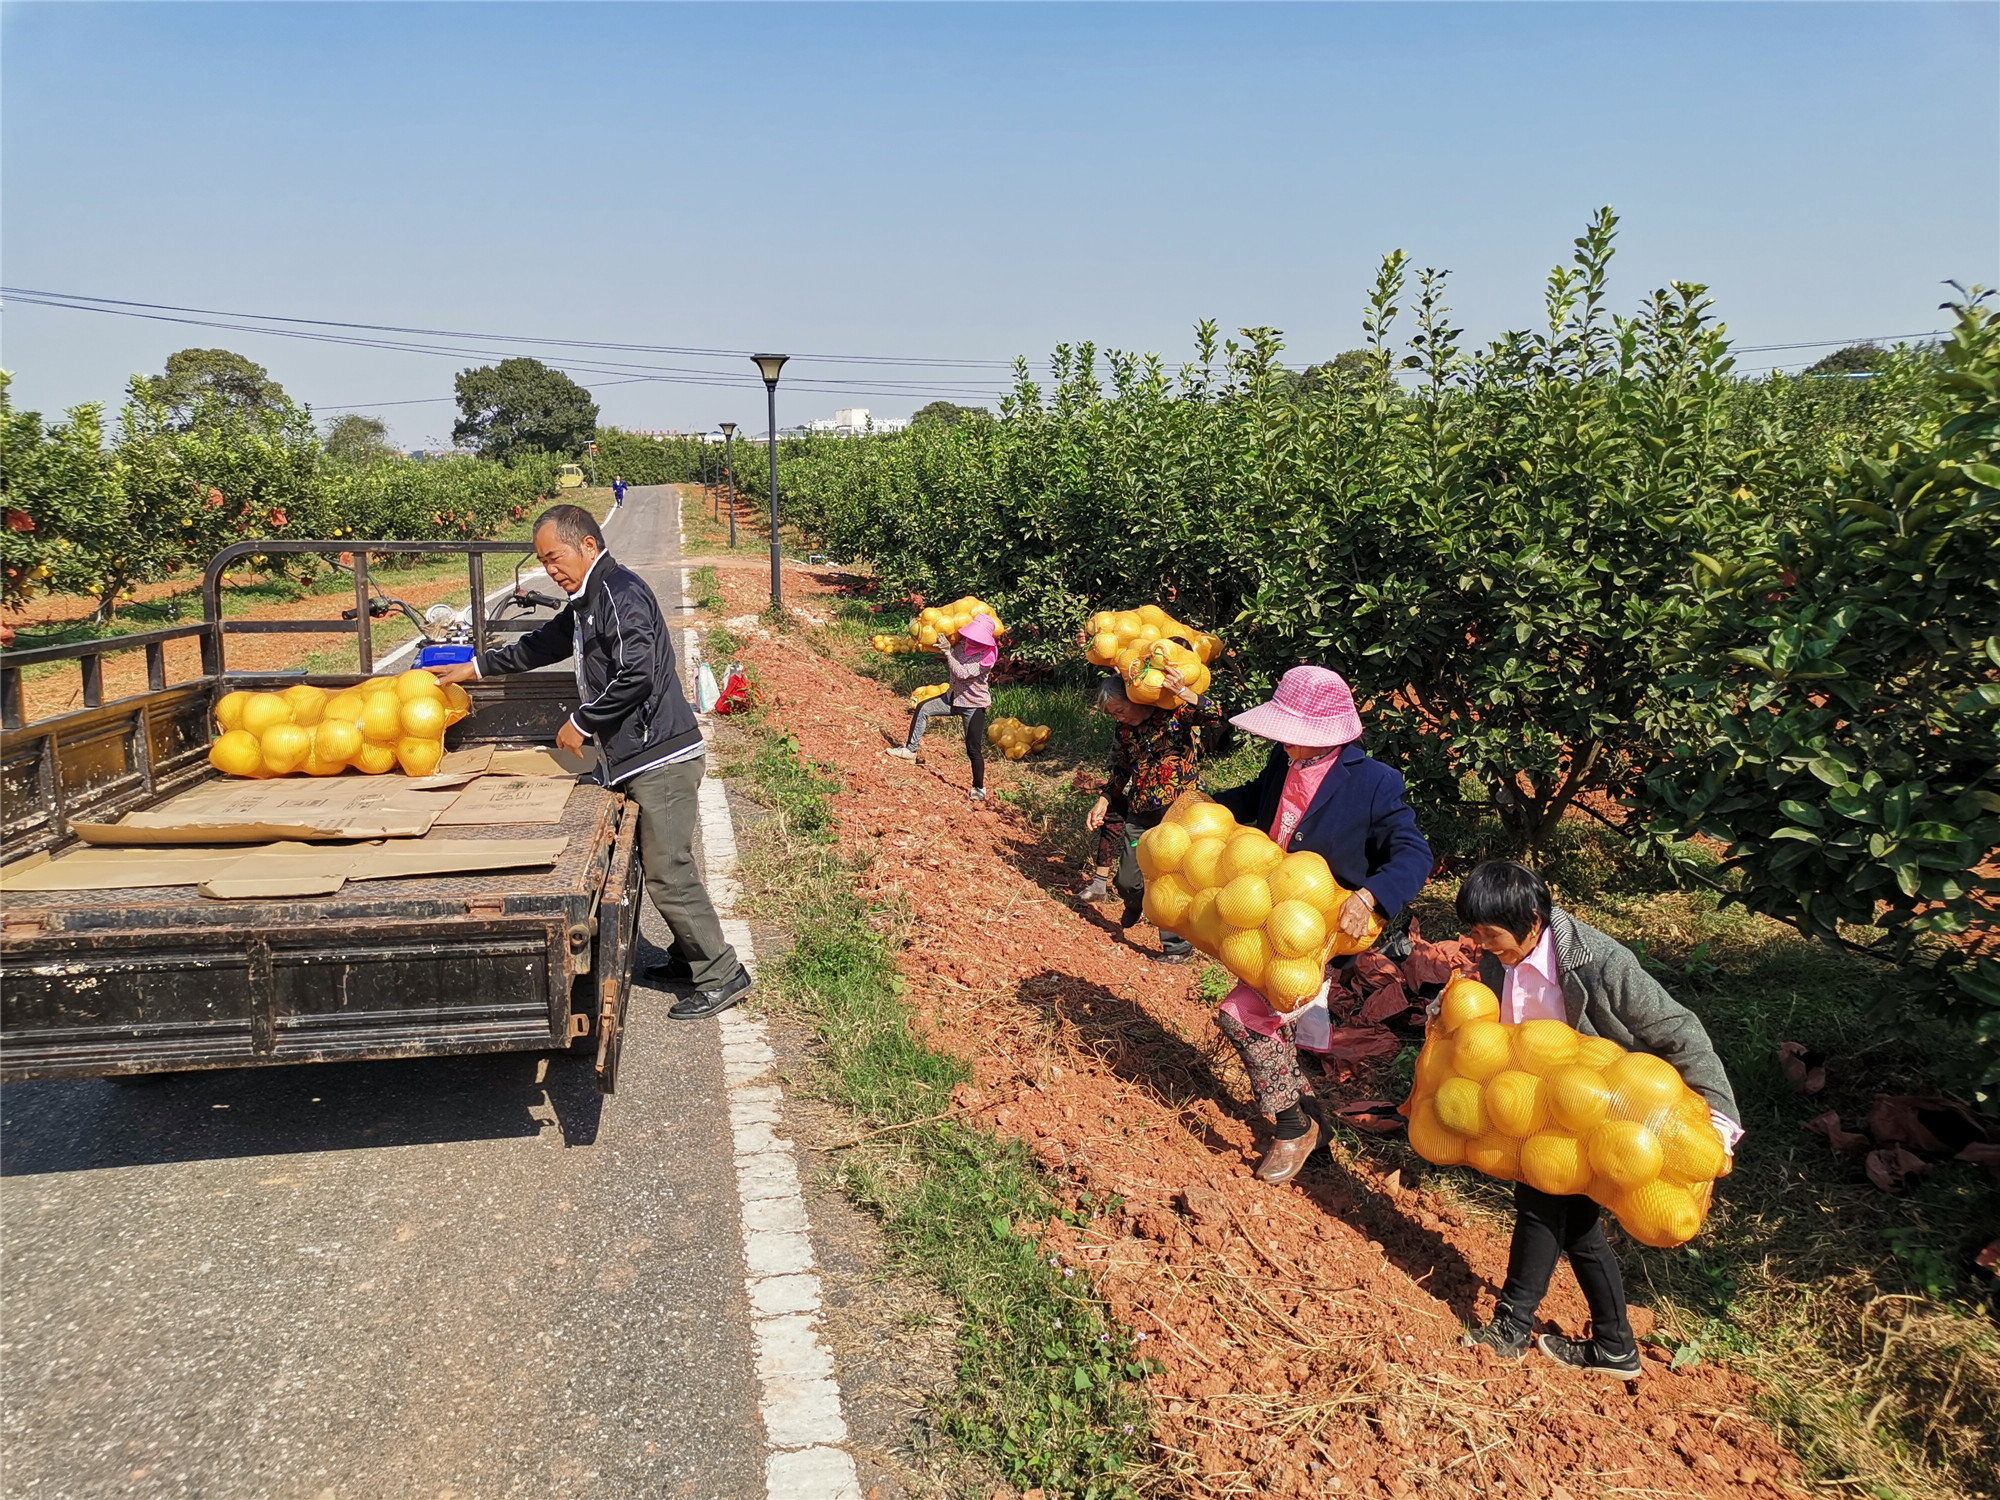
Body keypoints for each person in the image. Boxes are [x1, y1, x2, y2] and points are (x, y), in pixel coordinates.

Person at [430, 503, 752, 1020]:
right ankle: (689, 956)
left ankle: (721, 972)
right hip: (640, 755)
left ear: (587, 544)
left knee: (669, 869)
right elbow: (540, 646)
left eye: (555, 558)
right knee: (654, 860)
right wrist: (475, 666)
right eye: (543, 561)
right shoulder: (586, 601)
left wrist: (582, 721)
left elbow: (638, 673)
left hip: (661, 755)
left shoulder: (618, 593)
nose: (551, 570)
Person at [1454, 859, 1742, 1378]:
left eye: (1488, 932)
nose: (1480, 943)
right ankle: (1612, 1345)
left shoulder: (1600, 964)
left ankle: (1514, 1327)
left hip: (1603, 1116)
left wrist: (1720, 1116)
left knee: (1544, 1211)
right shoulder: (1500, 958)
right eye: (1474, 931)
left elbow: (1680, 1027)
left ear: (1533, 920)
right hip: (1538, 1113)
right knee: (1572, 1225)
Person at [1208, 665, 1434, 1184]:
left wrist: (1372, 895)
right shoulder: (1282, 760)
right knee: (1277, 1024)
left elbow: (1413, 851)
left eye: (1292, 735)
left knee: (1242, 1015)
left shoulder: (1375, 783)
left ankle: (1293, 1128)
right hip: (1269, 920)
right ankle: (1317, 1131)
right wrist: (1204, 808)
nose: (1283, 743)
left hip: (1323, 933)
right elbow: (1255, 799)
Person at [1090, 669, 1220, 962]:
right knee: (1126, 879)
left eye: (1120, 710)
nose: (1119, 718)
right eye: (1113, 715)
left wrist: (1183, 691)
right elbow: (1121, 768)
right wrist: (1104, 799)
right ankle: (1136, 902)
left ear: (1136, 698)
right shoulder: (1124, 730)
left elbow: (1213, 714)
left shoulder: (1173, 715)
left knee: (1171, 878)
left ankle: (1176, 948)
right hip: (1143, 808)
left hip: (1180, 809)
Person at [885, 613, 997, 803]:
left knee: (973, 748)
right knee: (923, 708)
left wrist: (947, 653)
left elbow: (962, 673)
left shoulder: (987, 657)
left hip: (973, 705)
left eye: (976, 637)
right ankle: (910, 751)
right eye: (971, 635)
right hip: (952, 697)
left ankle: (978, 788)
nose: (971, 639)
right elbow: (946, 645)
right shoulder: (963, 643)